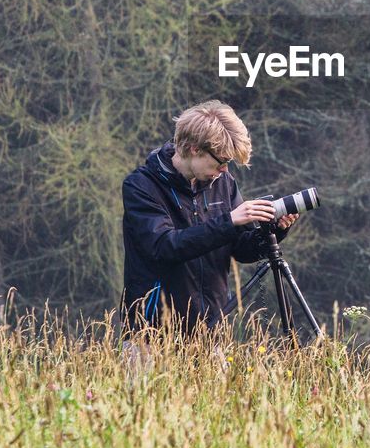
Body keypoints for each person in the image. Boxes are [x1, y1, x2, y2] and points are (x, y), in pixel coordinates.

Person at [121, 100, 297, 335]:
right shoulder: (141, 186)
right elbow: (164, 247)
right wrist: (230, 221)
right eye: (221, 161)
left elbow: (242, 250)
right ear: (195, 148)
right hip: (151, 333)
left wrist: (273, 230)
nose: (225, 169)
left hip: (211, 330)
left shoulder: (223, 182)